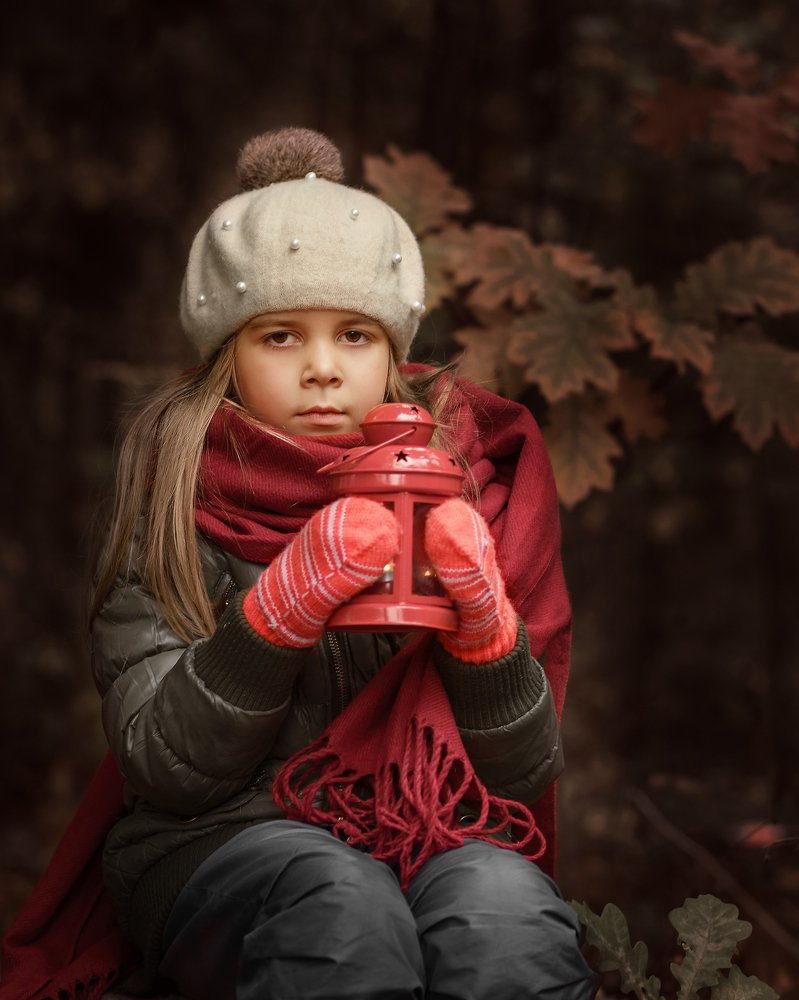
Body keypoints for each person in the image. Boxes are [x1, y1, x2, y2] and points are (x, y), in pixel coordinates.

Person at [88, 127, 594, 999]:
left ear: (392, 352)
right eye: (280, 337)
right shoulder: (175, 498)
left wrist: (484, 633)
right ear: (228, 355)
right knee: (336, 901)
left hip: (437, 826)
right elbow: (163, 766)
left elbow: (524, 771)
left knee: (504, 912)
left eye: (355, 335)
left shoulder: (464, 481)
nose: (323, 369)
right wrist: (277, 612)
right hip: (220, 845)